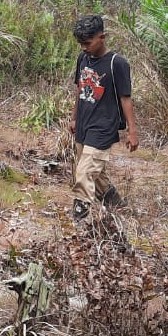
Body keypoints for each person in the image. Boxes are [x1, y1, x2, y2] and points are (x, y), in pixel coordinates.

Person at [68, 14, 137, 219]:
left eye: (87, 43)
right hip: (84, 123)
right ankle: (118, 206)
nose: (83, 47)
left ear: (102, 37)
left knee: (84, 173)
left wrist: (132, 132)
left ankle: (79, 221)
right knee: (94, 175)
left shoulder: (117, 63)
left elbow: (126, 98)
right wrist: (74, 118)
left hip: (104, 125)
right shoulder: (83, 58)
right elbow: (80, 90)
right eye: (80, 43)